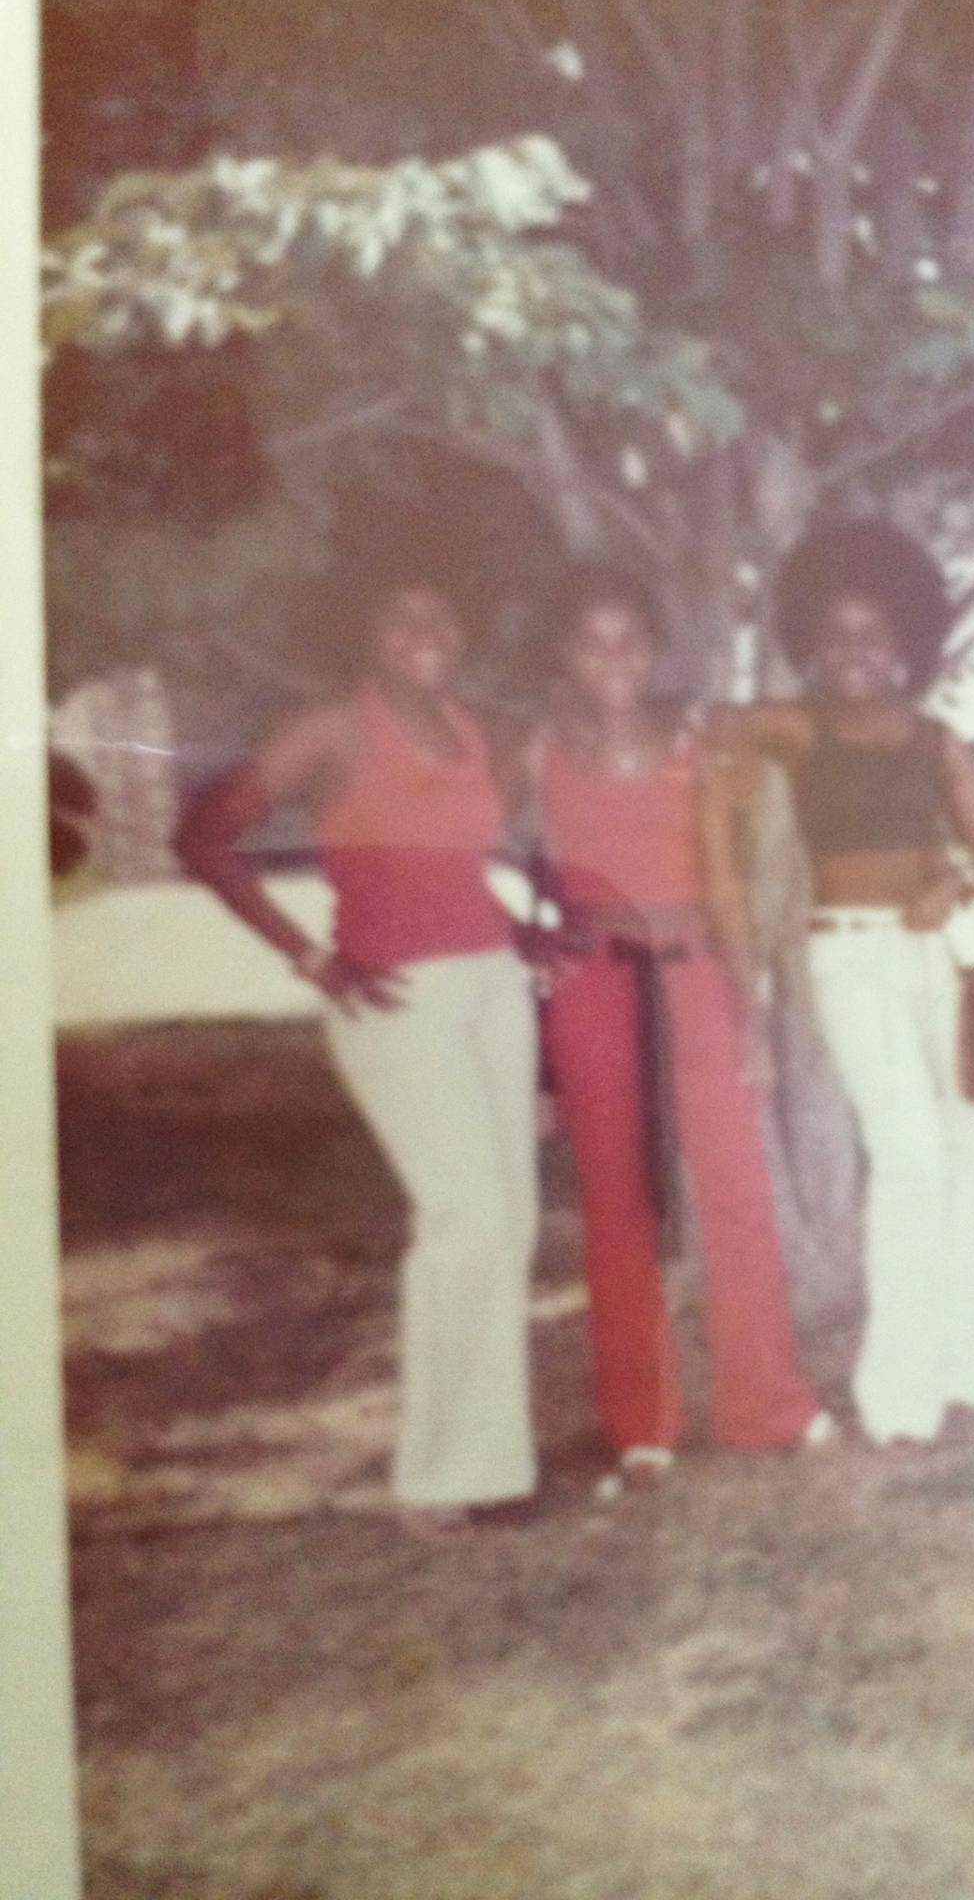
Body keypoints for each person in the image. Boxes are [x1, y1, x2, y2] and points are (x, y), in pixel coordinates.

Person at [176, 581, 540, 1529]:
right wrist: (308, 956)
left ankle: (489, 1466)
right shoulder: (332, 730)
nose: (429, 632)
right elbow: (203, 836)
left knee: (512, 1216)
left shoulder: (473, 726)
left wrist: (519, 935)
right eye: (402, 614)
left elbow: (452, 864)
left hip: (495, 986)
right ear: (363, 632)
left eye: (443, 612)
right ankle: (437, 1481)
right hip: (396, 999)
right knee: (468, 1215)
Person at [523, 564, 832, 1490]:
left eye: (630, 638)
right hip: (593, 985)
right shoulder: (537, 745)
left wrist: (750, 1013)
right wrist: (530, 927)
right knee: (617, 1200)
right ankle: (641, 1418)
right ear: (563, 657)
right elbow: (454, 836)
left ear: (654, 649)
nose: (612, 657)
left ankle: (763, 1405)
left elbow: (729, 880)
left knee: (734, 1187)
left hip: (698, 974)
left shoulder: (699, 738)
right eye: (591, 641)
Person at [713, 520, 974, 1447]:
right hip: (848, 956)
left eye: (875, 636)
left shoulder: (936, 740)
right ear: (808, 641)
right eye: (834, 635)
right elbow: (710, 727)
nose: (855, 653)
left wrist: (958, 881)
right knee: (911, 1161)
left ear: (907, 646)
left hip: (938, 954)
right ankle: (897, 1394)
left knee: (967, 1159)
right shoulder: (797, 729)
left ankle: (960, 1365)